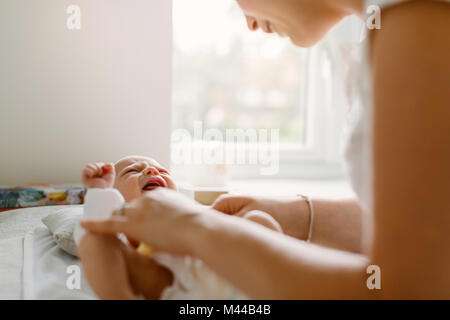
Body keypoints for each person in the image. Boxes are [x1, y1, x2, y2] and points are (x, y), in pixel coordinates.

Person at [81, 0, 450, 299]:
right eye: (132, 173)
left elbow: (409, 288)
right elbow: (420, 233)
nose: (249, 24)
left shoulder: (416, 20)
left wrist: (199, 226)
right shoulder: (393, 25)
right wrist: (297, 215)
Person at [76, 156, 281, 299]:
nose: (151, 170)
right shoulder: (123, 219)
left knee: (258, 219)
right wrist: (101, 192)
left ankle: (277, 284)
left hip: (229, 276)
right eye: (133, 171)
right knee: (94, 242)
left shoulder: (194, 210)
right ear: (117, 196)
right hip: (167, 283)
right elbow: (99, 227)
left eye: (163, 171)